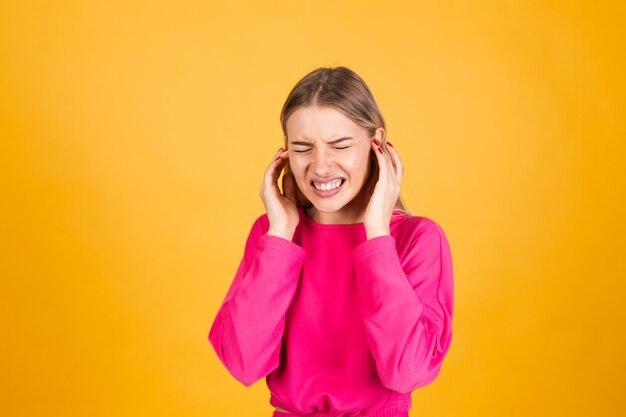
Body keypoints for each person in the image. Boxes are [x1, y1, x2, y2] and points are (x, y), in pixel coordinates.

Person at [208, 66, 454, 417]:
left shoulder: (417, 239)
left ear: (376, 145)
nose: (321, 167)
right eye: (302, 148)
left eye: (340, 145)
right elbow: (243, 364)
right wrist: (280, 233)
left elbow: (407, 371)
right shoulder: (272, 234)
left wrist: (377, 233)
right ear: (284, 155)